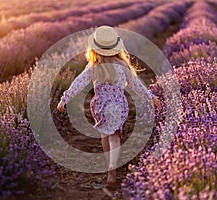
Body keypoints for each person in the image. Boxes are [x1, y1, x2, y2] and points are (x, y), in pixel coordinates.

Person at [57, 25, 162, 187]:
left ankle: (109, 165)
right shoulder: (122, 66)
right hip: (118, 106)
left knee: (105, 134)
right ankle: (113, 165)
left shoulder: (93, 67)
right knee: (115, 135)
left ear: (95, 49)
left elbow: (78, 83)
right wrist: (151, 97)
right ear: (116, 48)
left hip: (100, 107)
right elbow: (136, 85)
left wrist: (65, 99)